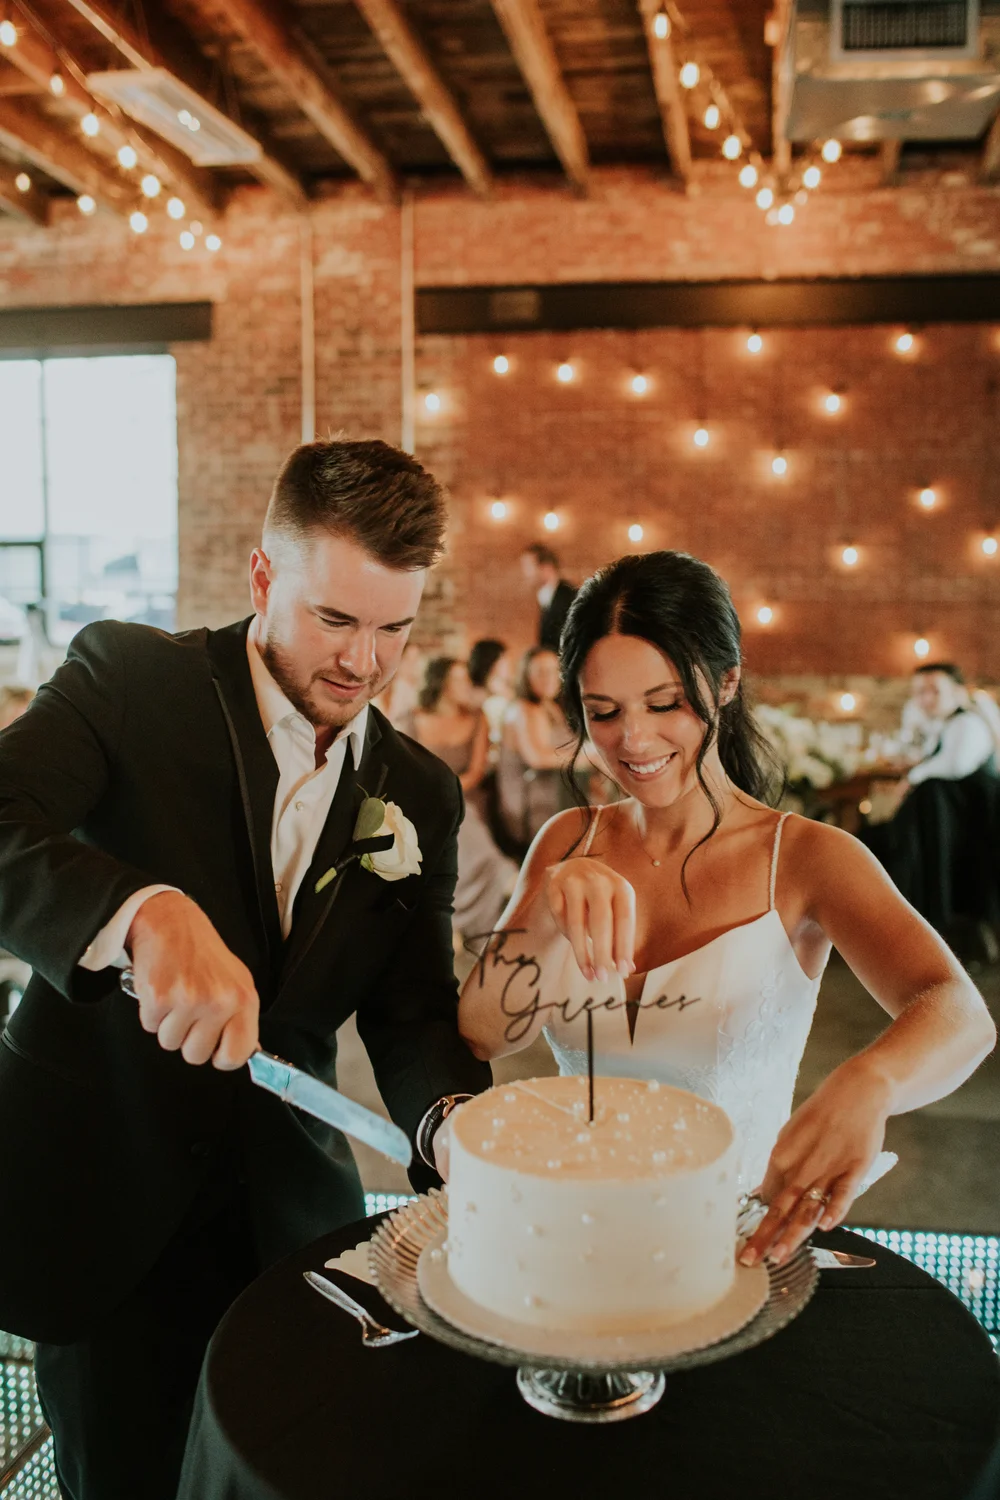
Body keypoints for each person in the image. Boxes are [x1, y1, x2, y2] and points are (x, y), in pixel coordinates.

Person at [0, 438, 490, 1500]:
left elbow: (409, 1010)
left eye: (395, 629)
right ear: (265, 577)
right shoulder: (131, 678)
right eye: (335, 619)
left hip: (289, 1228)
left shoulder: (421, 790)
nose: (364, 663)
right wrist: (139, 911)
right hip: (104, 1206)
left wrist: (448, 1118)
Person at [458, 550, 994, 1272]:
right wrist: (547, 909)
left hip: (738, 1253)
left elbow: (960, 1011)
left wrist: (872, 1082)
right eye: (603, 713)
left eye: (666, 703)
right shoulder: (567, 837)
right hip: (575, 1241)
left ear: (728, 682)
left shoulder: (806, 857)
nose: (634, 741)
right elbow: (483, 1034)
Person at [864, 663, 1000, 955]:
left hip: (970, 826)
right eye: (919, 692)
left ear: (958, 692)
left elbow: (956, 764)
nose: (925, 699)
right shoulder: (945, 724)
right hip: (947, 823)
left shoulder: (969, 723)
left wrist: (911, 779)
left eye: (934, 691)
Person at [411, 657, 516, 944]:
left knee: (460, 813)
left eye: (465, 679)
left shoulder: (476, 717)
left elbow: (476, 771)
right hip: (420, 799)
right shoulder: (413, 717)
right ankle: (501, 874)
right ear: (441, 683)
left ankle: (489, 885)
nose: (465, 685)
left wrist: (446, 791)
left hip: (463, 794)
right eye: (457, 679)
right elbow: (402, 769)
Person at [496, 646, 574, 855]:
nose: (549, 677)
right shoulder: (522, 710)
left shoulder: (549, 707)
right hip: (528, 802)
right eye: (540, 671)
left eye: (554, 670)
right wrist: (587, 758)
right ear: (526, 675)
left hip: (551, 790)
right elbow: (537, 758)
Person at [520, 542, 577, 652]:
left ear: (546, 567)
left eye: (528, 566)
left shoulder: (571, 598)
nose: (525, 573)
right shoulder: (546, 596)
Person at [375, 638, 424, 730]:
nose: (413, 666)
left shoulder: (410, 692)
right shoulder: (372, 688)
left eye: (416, 661)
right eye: (409, 660)